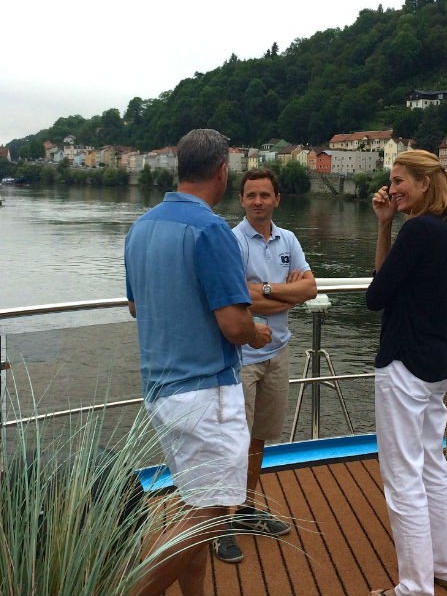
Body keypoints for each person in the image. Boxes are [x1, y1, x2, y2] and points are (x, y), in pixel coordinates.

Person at [124, 128, 271, 596]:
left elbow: (135, 306)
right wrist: (256, 330)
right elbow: (233, 324)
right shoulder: (211, 230)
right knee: (210, 514)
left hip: (161, 389)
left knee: (194, 502)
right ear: (223, 171)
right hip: (206, 392)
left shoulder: (141, 227)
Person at [366, 150, 447, 596]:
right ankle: (444, 567)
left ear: (426, 183)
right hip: (438, 361)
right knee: (429, 466)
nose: (394, 187)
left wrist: (388, 227)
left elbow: (376, 293)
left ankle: (413, 587)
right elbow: (393, 284)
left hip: (405, 363)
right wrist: (386, 223)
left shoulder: (419, 230)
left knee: (402, 477)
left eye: (400, 179)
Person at [212, 168, 317, 563]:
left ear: (277, 199)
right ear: (241, 200)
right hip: (241, 358)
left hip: (277, 352)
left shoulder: (288, 239)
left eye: (265, 195)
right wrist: (287, 295)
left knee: (258, 439)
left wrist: (269, 291)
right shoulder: (232, 240)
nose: (258, 201)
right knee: (233, 442)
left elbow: (310, 287)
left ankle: (247, 509)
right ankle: (221, 525)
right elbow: (238, 298)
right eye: (251, 195)